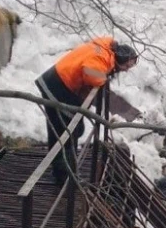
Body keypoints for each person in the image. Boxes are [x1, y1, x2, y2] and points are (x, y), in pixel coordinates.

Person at [35, 36, 139, 185]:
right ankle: (64, 176)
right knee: (67, 130)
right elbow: (89, 72)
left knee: (68, 129)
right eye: (126, 67)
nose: (126, 71)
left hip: (58, 82)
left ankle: (62, 168)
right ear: (120, 59)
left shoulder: (104, 50)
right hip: (57, 86)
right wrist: (104, 78)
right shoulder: (102, 57)